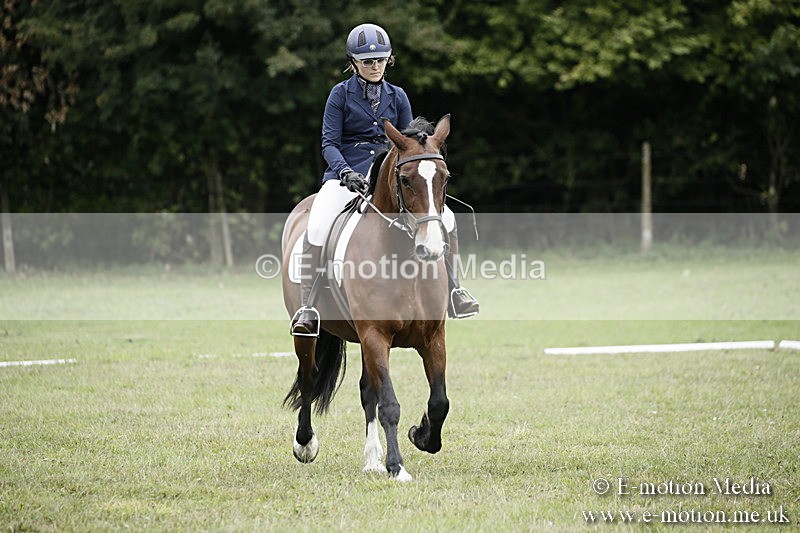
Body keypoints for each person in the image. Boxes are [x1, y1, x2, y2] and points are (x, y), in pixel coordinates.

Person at [291, 23, 479, 336]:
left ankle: (455, 291)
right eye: (367, 61)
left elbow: (408, 143)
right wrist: (345, 171)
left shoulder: (398, 95)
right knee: (319, 222)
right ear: (354, 63)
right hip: (346, 175)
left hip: (389, 176)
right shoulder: (340, 95)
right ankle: (308, 306)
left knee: (445, 217)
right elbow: (329, 144)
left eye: (380, 60)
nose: (375, 66)